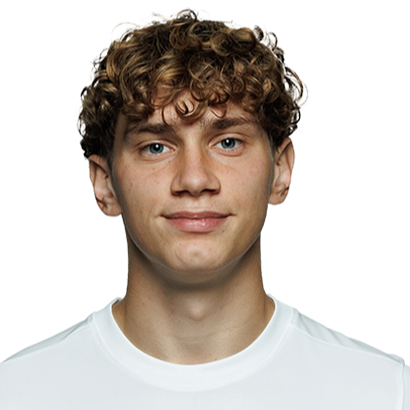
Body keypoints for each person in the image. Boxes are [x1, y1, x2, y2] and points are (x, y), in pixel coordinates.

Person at [1, 7, 408, 409]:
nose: (194, 180)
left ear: (281, 170)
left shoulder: (383, 392)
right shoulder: (17, 393)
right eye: (155, 146)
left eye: (228, 142)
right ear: (105, 183)